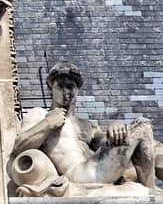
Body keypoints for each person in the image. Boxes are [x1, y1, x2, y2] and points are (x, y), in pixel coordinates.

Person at [11, 61, 162, 195]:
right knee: (142, 126)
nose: (66, 93)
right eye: (61, 86)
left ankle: (149, 191)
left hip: (96, 168)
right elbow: (19, 147)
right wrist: (47, 124)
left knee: (154, 145)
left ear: (77, 90)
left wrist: (115, 125)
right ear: (51, 88)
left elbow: (109, 142)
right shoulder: (40, 115)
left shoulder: (87, 125)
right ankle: (150, 190)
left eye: (70, 87)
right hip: (79, 175)